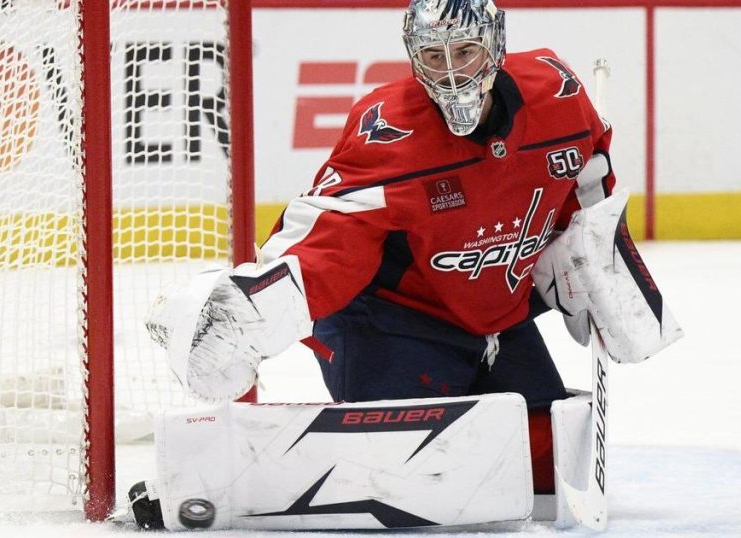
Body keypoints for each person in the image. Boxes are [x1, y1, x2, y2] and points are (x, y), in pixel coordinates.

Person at [147, 0, 623, 496]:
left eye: (465, 52)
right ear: (414, 57)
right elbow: (330, 235)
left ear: (495, 47)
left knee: (542, 468)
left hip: (491, 315)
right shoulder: (392, 129)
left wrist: (599, 255)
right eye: (434, 57)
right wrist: (253, 308)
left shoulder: (557, 93)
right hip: (390, 319)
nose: (451, 72)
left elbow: (586, 178)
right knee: (405, 479)